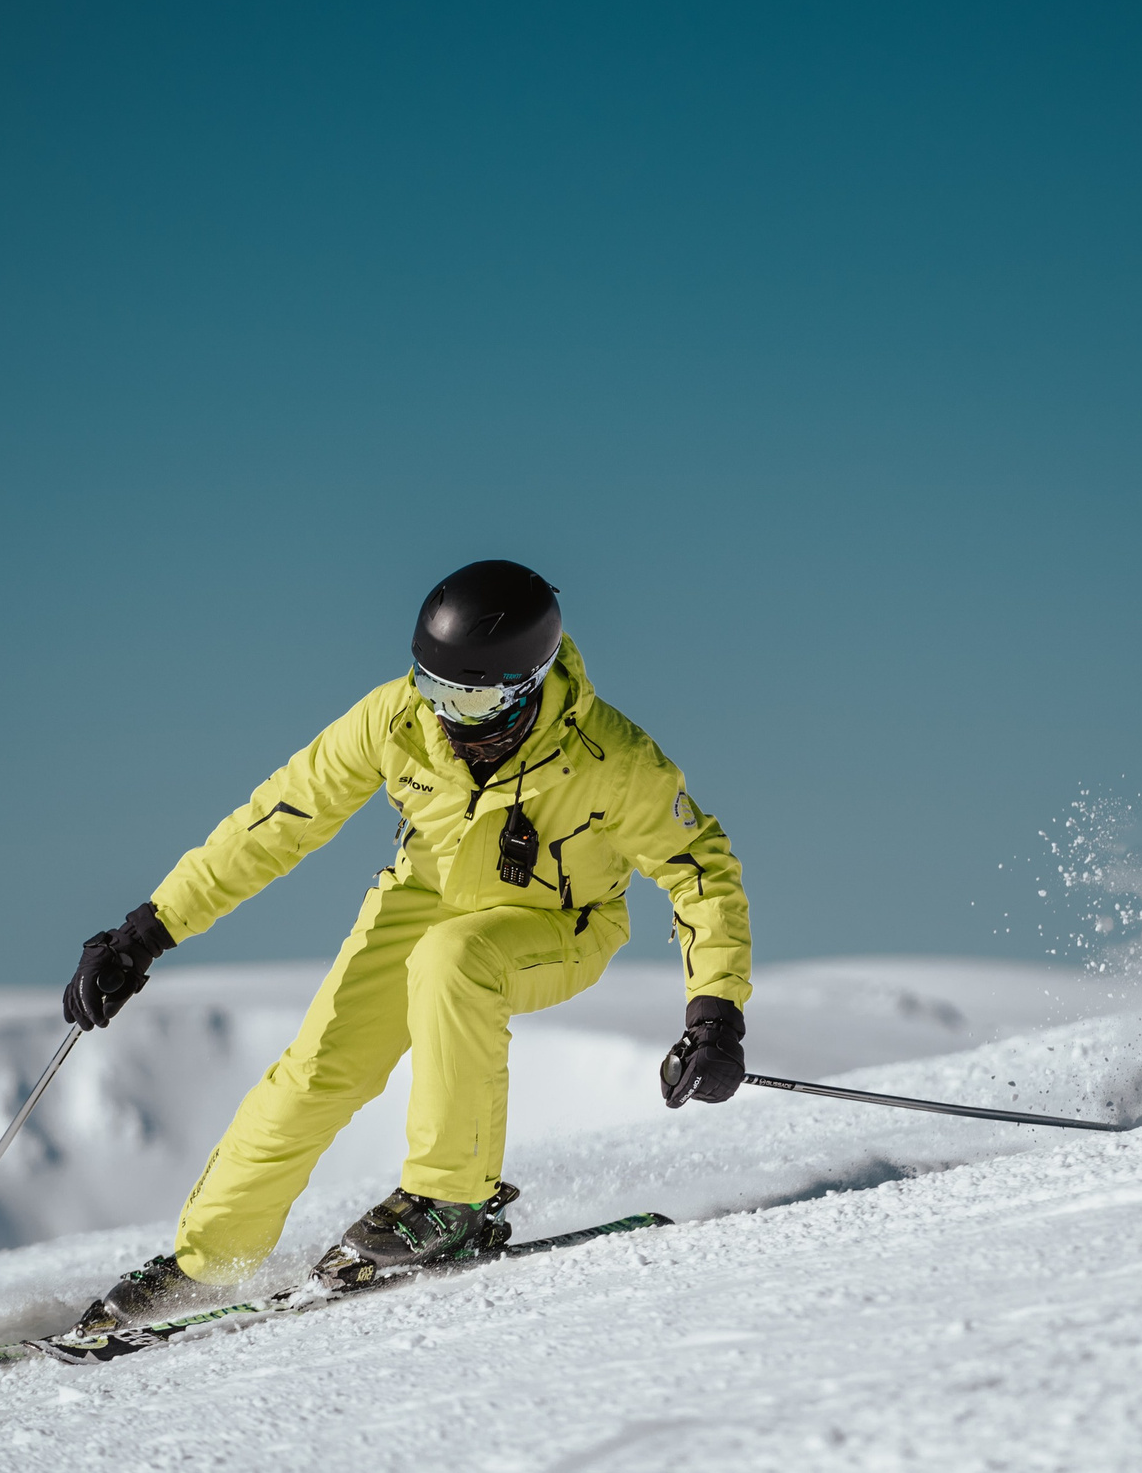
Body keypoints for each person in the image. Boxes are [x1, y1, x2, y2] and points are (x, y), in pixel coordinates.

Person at [57, 560, 751, 1329]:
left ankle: (449, 1201)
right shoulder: (397, 719)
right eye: (435, 686)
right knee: (319, 1066)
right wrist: (145, 933)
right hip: (421, 900)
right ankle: (207, 1262)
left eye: (472, 697)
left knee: (458, 960)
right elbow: (277, 820)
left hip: (560, 922)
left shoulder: (610, 759)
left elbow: (700, 873)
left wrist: (715, 1012)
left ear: (528, 683)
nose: (449, 714)